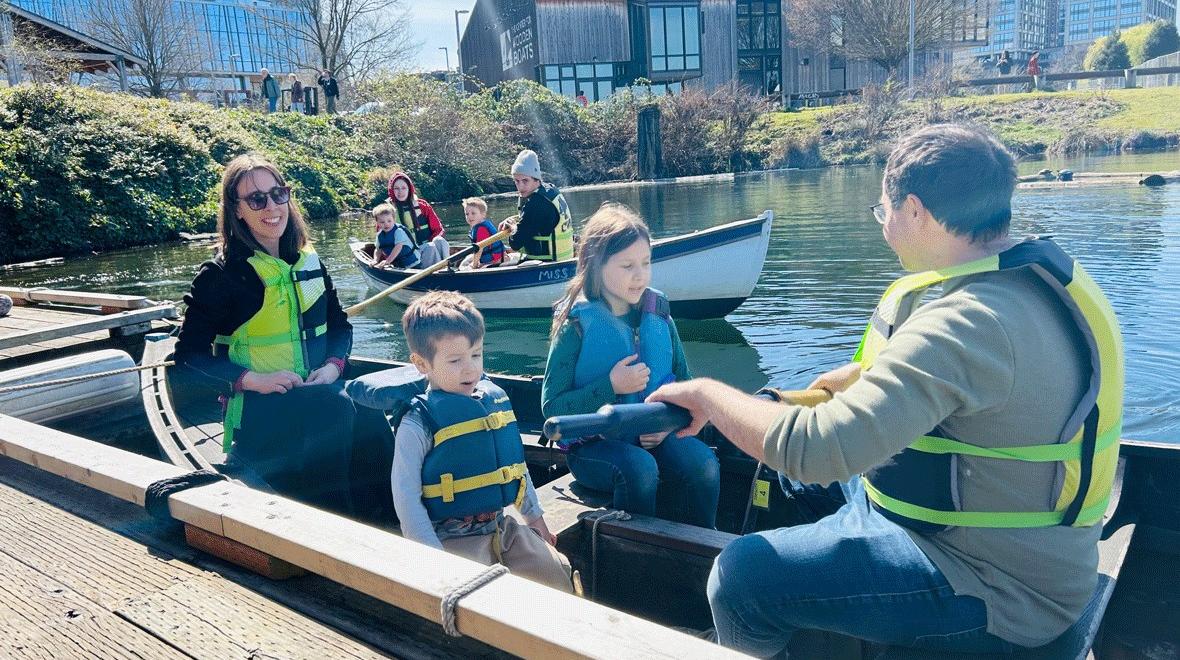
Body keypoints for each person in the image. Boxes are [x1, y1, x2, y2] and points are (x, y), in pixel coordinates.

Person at [649, 124, 1123, 655]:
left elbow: (814, 449)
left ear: (916, 210)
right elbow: (954, 382)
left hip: (1001, 589)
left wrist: (709, 396)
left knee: (739, 578)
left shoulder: (968, 322)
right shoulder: (1024, 281)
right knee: (794, 490)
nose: (884, 227)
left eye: (884, 212)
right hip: (1009, 543)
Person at [174, 154, 394, 518]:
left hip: (318, 390)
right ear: (236, 209)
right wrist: (252, 380)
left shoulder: (308, 262)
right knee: (334, 410)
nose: (271, 206)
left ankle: (388, 521)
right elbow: (187, 359)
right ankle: (333, 525)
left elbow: (339, 327)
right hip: (260, 414)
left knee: (367, 410)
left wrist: (334, 367)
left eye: (278, 194)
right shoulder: (221, 275)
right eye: (256, 199)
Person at [542, 203, 720, 528]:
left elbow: (686, 383)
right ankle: (637, 560)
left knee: (703, 462)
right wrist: (611, 386)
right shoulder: (577, 325)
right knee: (639, 468)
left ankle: (704, 549)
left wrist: (668, 425)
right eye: (627, 266)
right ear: (596, 265)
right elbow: (552, 407)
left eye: (646, 263)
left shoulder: (659, 313)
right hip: (594, 450)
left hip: (657, 437)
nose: (640, 276)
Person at [391, 291, 576, 593]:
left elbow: (516, 469)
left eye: (476, 354)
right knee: (478, 599)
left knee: (556, 576)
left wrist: (535, 518)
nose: (471, 368)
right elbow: (406, 498)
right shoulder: (418, 421)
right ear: (421, 363)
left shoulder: (493, 402)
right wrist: (430, 557)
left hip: (501, 528)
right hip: (450, 540)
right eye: (455, 360)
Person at [497, 150, 574, 263]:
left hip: (548, 263)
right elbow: (535, 220)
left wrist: (513, 227)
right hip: (565, 257)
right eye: (517, 181)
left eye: (525, 181)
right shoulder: (550, 190)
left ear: (536, 179)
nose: (520, 187)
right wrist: (513, 220)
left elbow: (515, 244)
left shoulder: (536, 203)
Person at [387, 172, 450, 269]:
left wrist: (431, 242)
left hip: (426, 249)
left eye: (403, 188)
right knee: (430, 248)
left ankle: (446, 269)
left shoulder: (422, 206)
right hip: (406, 257)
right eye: (396, 188)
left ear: (409, 189)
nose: (400, 192)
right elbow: (383, 239)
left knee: (440, 241)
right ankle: (438, 275)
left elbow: (438, 229)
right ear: (392, 190)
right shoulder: (387, 211)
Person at [372, 202, 419, 268]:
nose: (386, 224)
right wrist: (375, 260)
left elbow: (398, 247)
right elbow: (378, 249)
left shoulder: (399, 231)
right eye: (382, 222)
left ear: (394, 220)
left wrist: (387, 261)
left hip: (413, 264)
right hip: (397, 265)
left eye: (389, 221)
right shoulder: (379, 235)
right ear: (377, 223)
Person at [462, 197, 506, 269]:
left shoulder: (481, 229)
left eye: (473, 213)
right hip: (495, 257)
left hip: (495, 260)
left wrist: (474, 266)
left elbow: (479, 249)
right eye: (467, 214)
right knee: (468, 258)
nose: (469, 216)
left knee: (471, 266)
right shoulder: (478, 226)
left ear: (483, 215)